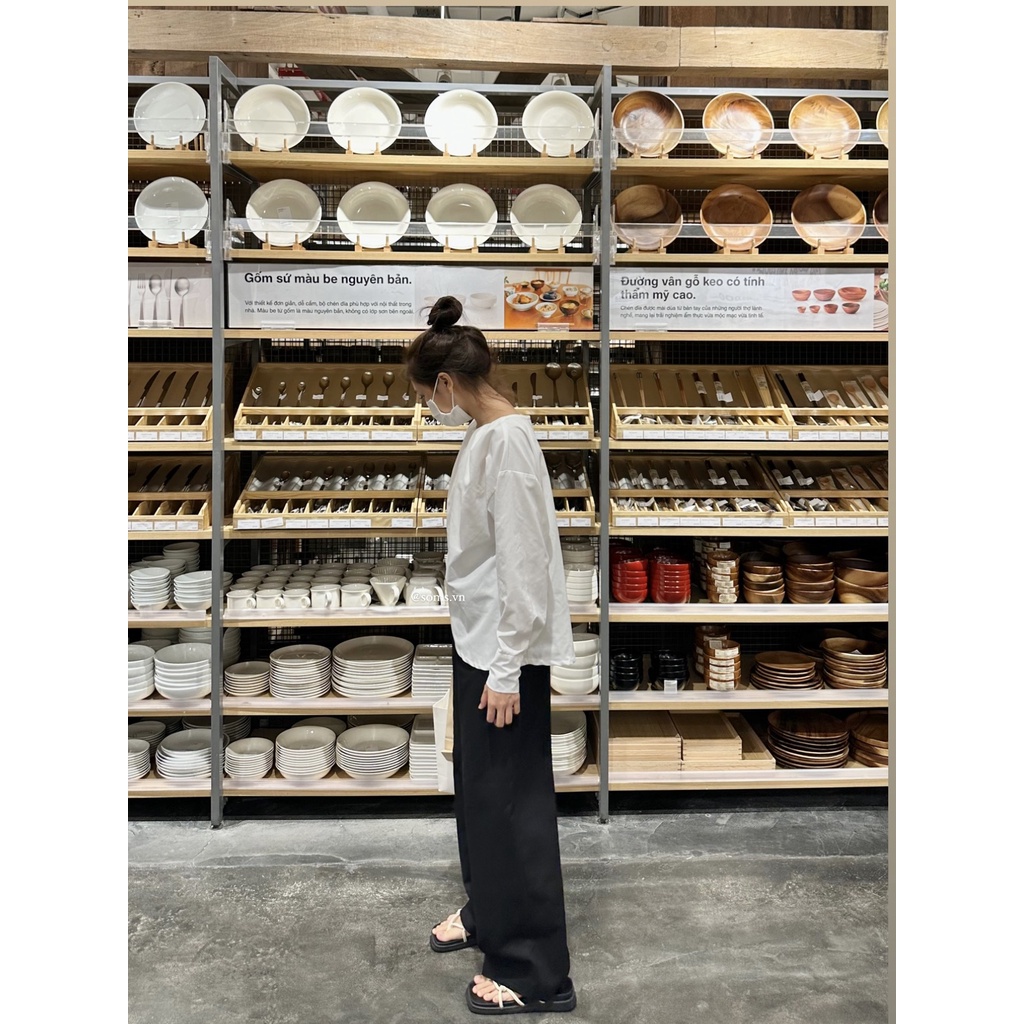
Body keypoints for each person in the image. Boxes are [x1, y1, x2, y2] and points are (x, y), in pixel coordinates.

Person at [405, 296, 578, 1015]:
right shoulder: (487, 433)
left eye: (426, 395)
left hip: (503, 651)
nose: (428, 407)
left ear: (447, 384)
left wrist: (507, 667)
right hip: (481, 640)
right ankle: (489, 911)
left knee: (512, 803)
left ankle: (534, 971)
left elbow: (525, 562)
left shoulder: (505, 444)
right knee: (480, 793)